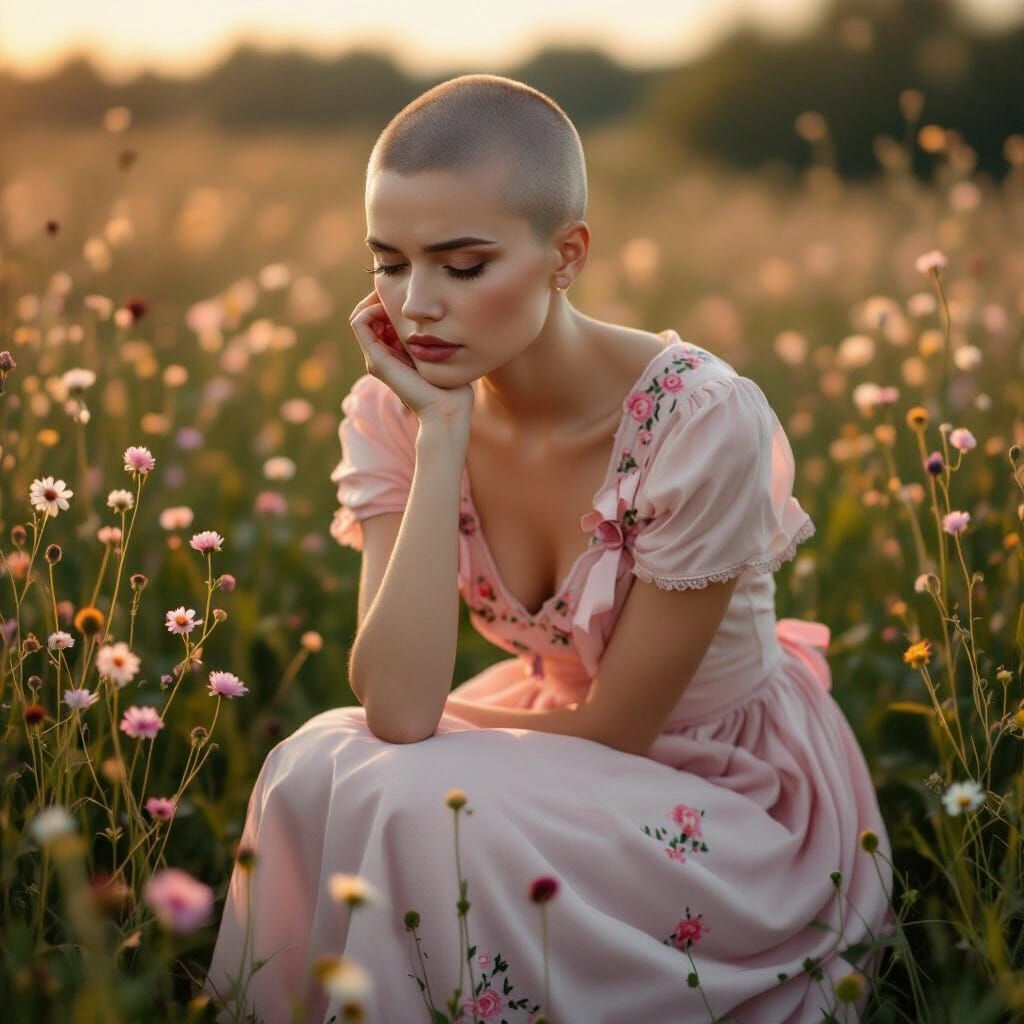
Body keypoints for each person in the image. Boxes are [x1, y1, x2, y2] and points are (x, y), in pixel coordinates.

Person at [204, 73, 895, 1023]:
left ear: (566, 254)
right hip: (537, 733)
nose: (415, 306)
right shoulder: (395, 412)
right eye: (389, 262)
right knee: (312, 761)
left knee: (399, 792)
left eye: (462, 264)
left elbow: (621, 732)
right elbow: (400, 708)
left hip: (715, 783)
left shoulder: (697, 420)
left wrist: (428, 744)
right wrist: (443, 436)